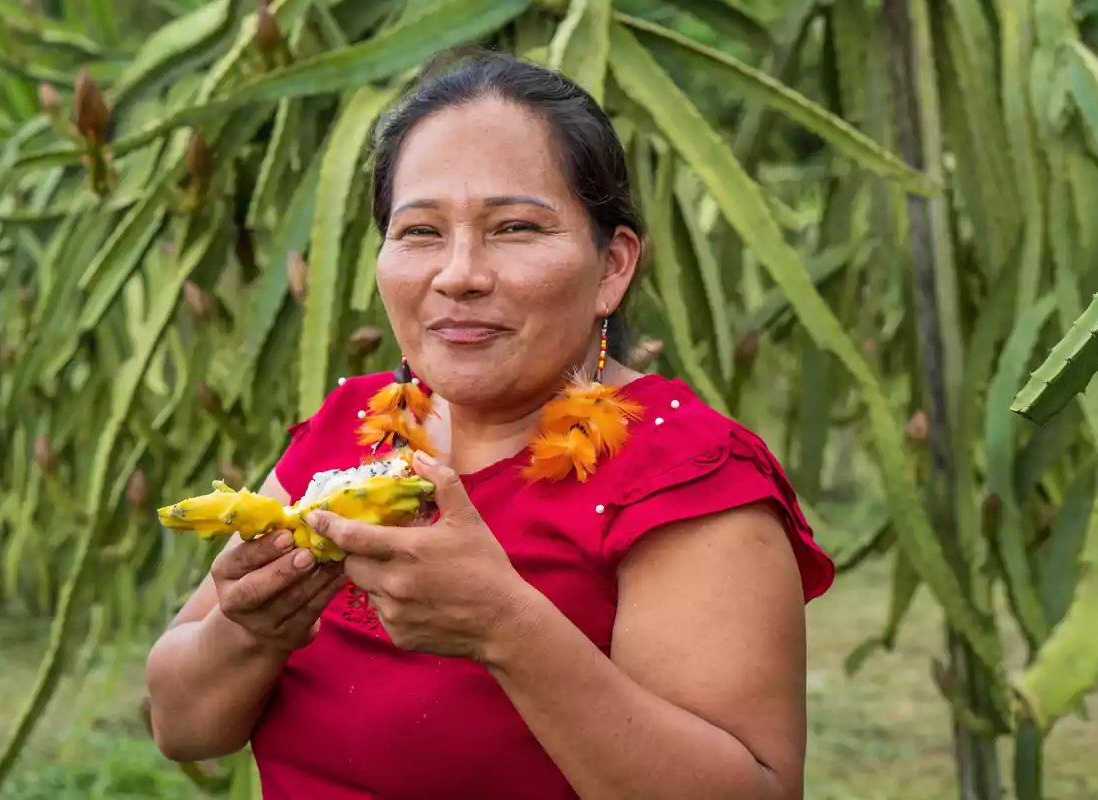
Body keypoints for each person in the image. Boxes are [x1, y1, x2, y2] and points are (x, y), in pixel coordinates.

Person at [145, 50, 834, 800]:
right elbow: (183, 727)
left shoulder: (689, 475)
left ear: (613, 267)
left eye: (514, 228)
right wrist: (247, 631)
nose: (460, 274)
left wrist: (506, 629)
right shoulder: (352, 429)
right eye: (420, 233)